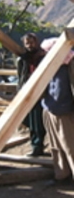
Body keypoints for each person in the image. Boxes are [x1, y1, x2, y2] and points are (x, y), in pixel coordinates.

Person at [41, 37, 74, 185]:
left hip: (66, 111)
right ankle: (61, 174)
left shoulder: (70, 63)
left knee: (70, 146)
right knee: (56, 146)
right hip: (50, 109)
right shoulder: (50, 65)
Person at [17, 32, 47, 156]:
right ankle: (36, 146)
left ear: (36, 42)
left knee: (42, 121)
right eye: (27, 43)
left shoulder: (44, 57)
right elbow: (20, 77)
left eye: (31, 42)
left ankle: (40, 146)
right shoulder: (22, 60)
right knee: (32, 121)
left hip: (43, 94)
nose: (29, 45)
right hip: (29, 94)